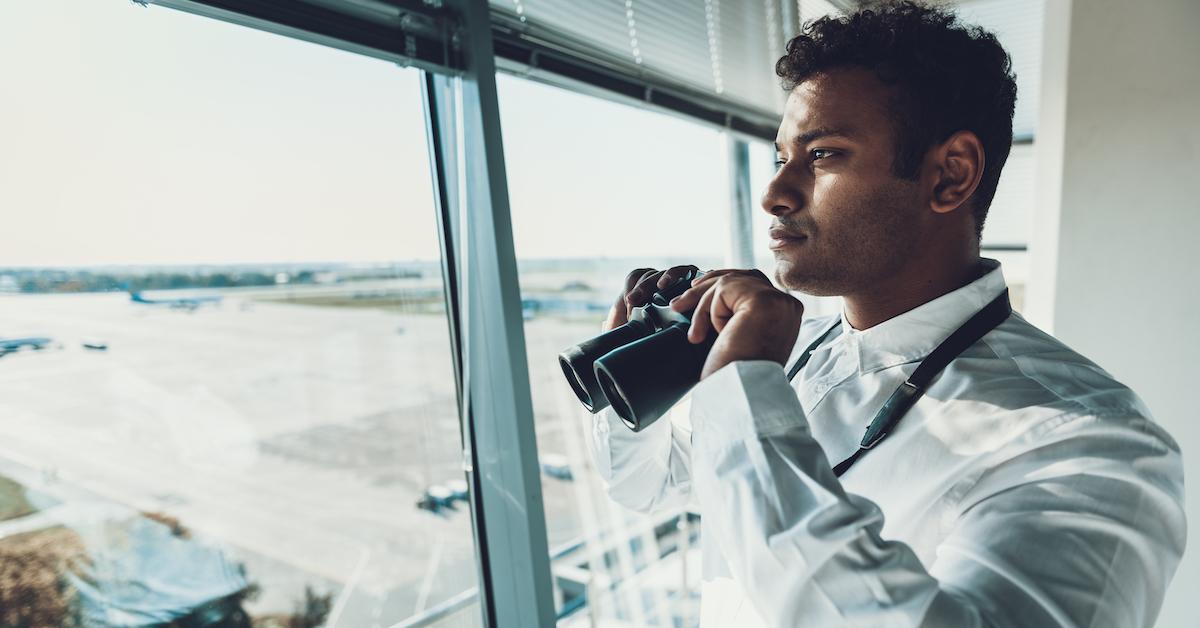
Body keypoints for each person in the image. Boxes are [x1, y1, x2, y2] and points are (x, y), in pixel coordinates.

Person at [588, 2, 1186, 627]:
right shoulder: (792, 355)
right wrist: (631, 379)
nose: (774, 193)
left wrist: (740, 383)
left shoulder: (1091, 443)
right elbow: (650, 486)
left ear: (950, 176)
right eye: (779, 158)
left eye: (822, 155)